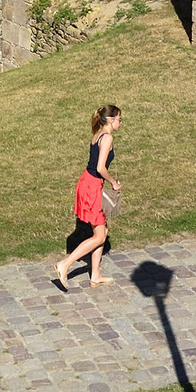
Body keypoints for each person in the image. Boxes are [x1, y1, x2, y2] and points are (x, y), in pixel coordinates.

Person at [53, 104, 122, 291]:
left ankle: (96, 275)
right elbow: (100, 167)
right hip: (92, 186)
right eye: (119, 119)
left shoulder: (97, 135)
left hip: (87, 182)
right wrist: (113, 183)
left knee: (103, 232)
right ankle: (64, 265)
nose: (120, 123)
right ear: (110, 120)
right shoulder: (107, 138)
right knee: (99, 235)